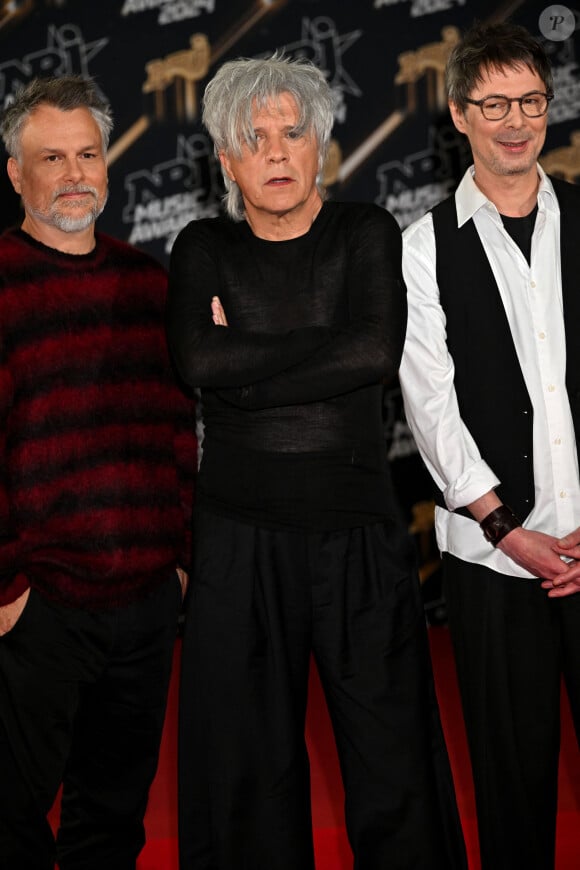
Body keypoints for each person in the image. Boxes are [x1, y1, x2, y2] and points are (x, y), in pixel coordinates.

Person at [166, 54, 467, 870]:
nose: (274, 151)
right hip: (235, 542)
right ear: (225, 160)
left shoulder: (366, 232)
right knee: (243, 768)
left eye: (291, 133)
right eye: (252, 138)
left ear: (321, 148)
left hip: (359, 537)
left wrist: (250, 376)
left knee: (392, 755)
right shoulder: (201, 246)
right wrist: (310, 346)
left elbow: (371, 352)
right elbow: (198, 360)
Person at [0, 75, 196, 870]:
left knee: (113, 819)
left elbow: (182, 433)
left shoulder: (151, 283)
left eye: (88, 153)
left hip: (146, 604)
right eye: (53, 157)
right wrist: (8, 587)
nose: (75, 173)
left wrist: (180, 560)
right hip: (37, 605)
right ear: (16, 172)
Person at [399, 21, 580, 870]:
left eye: (532, 101)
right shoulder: (423, 246)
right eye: (495, 103)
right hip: (494, 560)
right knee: (513, 793)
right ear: (459, 112)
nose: (517, 121)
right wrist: (509, 528)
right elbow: (430, 409)